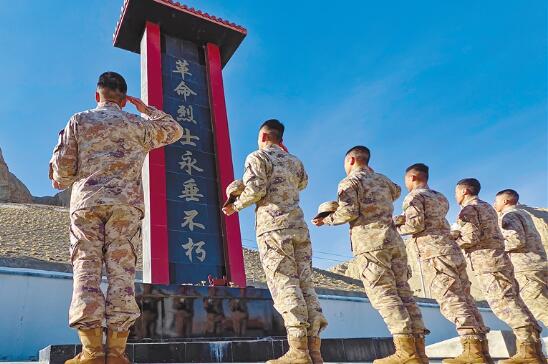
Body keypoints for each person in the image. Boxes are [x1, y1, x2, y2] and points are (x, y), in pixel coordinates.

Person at [49, 71, 183, 364]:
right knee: (122, 274)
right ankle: (118, 353)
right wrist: (145, 109)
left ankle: (92, 352)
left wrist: (62, 177)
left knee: (86, 268)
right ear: (124, 99)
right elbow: (174, 130)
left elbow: (63, 170)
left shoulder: (79, 120)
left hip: (88, 204)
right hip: (125, 206)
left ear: (97, 95)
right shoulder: (136, 123)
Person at [222, 119, 327, 364]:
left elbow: (256, 188)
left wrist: (235, 206)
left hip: (273, 228)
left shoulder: (257, 156)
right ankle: (314, 351)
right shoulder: (294, 161)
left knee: (285, 283)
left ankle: (299, 352)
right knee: (305, 285)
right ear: (281, 139)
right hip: (298, 227)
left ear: (262, 137)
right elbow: (303, 183)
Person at [312, 146, 428, 364]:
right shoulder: (383, 180)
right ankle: (419, 351)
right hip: (394, 241)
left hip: (371, 243)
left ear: (352, 160)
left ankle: (406, 352)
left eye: (346, 163)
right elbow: (396, 191)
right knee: (404, 293)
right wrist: (372, 175)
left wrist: (326, 220)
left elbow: (348, 211)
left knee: (384, 294)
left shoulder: (349, 182)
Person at [395, 164, 492, 364]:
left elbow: (415, 224)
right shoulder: (440, 197)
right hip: (452, 250)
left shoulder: (414, 197)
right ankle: (481, 349)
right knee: (465, 298)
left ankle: (472, 350)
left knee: (450, 298)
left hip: (435, 252)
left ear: (412, 177)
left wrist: (396, 224)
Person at [453, 179, 544, 364]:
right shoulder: (487, 207)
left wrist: (453, 238)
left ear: (463, 191)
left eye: (456, 192)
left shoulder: (473, 210)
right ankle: (531, 349)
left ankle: (530, 351)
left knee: (505, 305)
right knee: (513, 302)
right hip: (507, 262)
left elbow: (472, 237)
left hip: (490, 263)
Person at [494, 189, 547, 326]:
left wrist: (495, 246)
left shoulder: (509, 215)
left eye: (496, 201)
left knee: (540, 308)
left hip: (526, 269)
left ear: (505, 201)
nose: (494, 205)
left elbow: (515, 240)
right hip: (537, 264)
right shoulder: (524, 214)